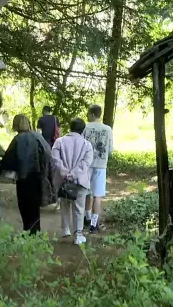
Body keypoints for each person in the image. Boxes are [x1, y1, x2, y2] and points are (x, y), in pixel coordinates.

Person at [1, 114, 52, 234]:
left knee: (24, 206)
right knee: (34, 206)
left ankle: (27, 230)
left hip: (23, 177)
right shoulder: (38, 136)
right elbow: (48, 153)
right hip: (37, 175)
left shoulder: (17, 139)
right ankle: (36, 231)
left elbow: (8, 159)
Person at [51, 118, 93, 245]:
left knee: (64, 203)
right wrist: (73, 174)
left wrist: (65, 173)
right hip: (80, 181)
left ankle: (66, 229)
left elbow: (55, 159)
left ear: (70, 127)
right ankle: (78, 235)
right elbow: (85, 163)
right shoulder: (87, 145)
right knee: (79, 208)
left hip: (62, 181)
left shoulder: (59, 141)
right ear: (83, 130)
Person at [82, 104, 113, 233]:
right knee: (97, 196)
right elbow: (110, 149)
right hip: (100, 165)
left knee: (86, 192)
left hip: (87, 165)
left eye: (88, 113)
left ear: (92, 114)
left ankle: (87, 217)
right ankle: (94, 225)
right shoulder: (107, 129)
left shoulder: (85, 127)